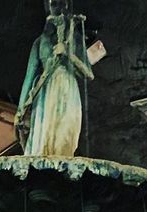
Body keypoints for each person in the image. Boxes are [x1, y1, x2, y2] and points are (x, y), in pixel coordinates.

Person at [15, 0, 93, 156]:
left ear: (67, 6)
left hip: (68, 89)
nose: (58, 7)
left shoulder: (75, 38)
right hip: (46, 91)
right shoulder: (39, 42)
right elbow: (29, 77)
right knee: (44, 139)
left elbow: (88, 74)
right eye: (53, 3)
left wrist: (68, 54)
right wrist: (20, 109)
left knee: (64, 138)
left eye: (62, 3)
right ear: (48, 7)